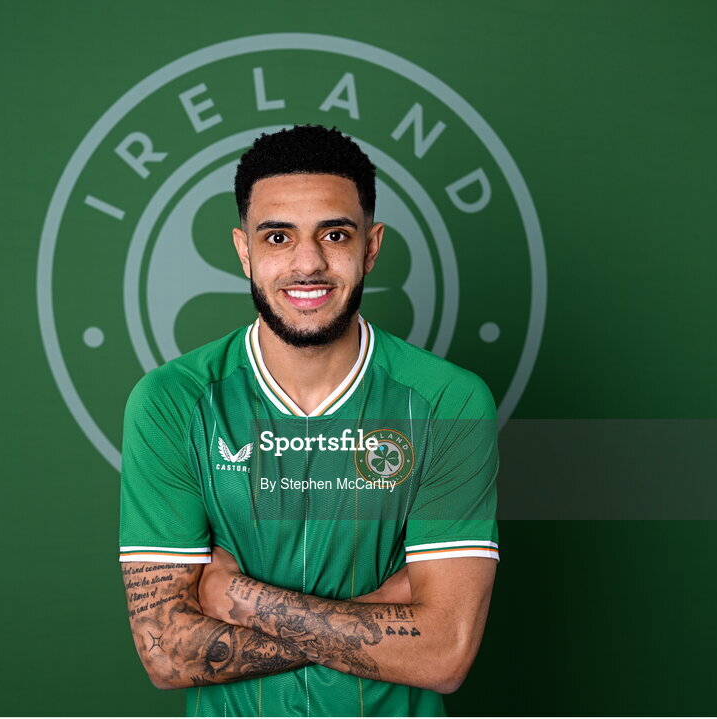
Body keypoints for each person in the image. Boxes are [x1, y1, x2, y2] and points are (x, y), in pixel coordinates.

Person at [119, 124, 499, 717]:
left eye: (335, 234)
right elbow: (165, 655)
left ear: (370, 247)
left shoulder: (448, 400)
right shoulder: (172, 401)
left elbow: (444, 655)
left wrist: (238, 596)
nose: (308, 263)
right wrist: (380, 618)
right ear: (244, 250)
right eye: (277, 237)